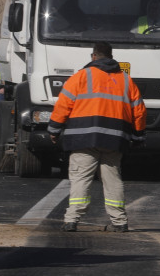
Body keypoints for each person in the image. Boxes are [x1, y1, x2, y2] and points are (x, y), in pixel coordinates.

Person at [48, 41, 146, 232]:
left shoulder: (81, 76)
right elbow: (139, 111)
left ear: (93, 56)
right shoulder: (126, 80)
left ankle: (72, 220)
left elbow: (63, 105)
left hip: (83, 138)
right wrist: (138, 135)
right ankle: (119, 222)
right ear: (112, 56)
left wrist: (54, 129)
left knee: (80, 178)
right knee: (113, 180)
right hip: (114, 139)